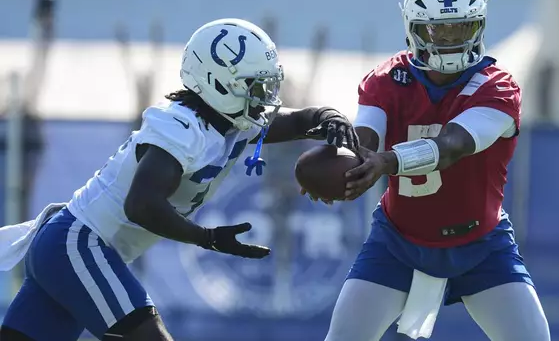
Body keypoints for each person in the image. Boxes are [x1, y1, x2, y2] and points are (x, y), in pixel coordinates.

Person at [0, 18, 359, 341]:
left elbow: (298, 122)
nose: (264, 97)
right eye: (254, 86)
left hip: (70, 246)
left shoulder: (231, 123)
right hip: (79, 245)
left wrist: (328, 115)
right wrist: (207, 238)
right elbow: (141, 204)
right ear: (219, 83)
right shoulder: (181, 127)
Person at [318, 0, 551, 341]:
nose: (451, 39)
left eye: (462, 28)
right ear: (414, 28)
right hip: (398, 243)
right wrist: (345, 159)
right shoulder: (386, 81)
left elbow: (452, 146)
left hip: (482, 245)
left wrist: (386, 163)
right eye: (439, 30)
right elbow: (366, 140)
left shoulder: (498, 87)